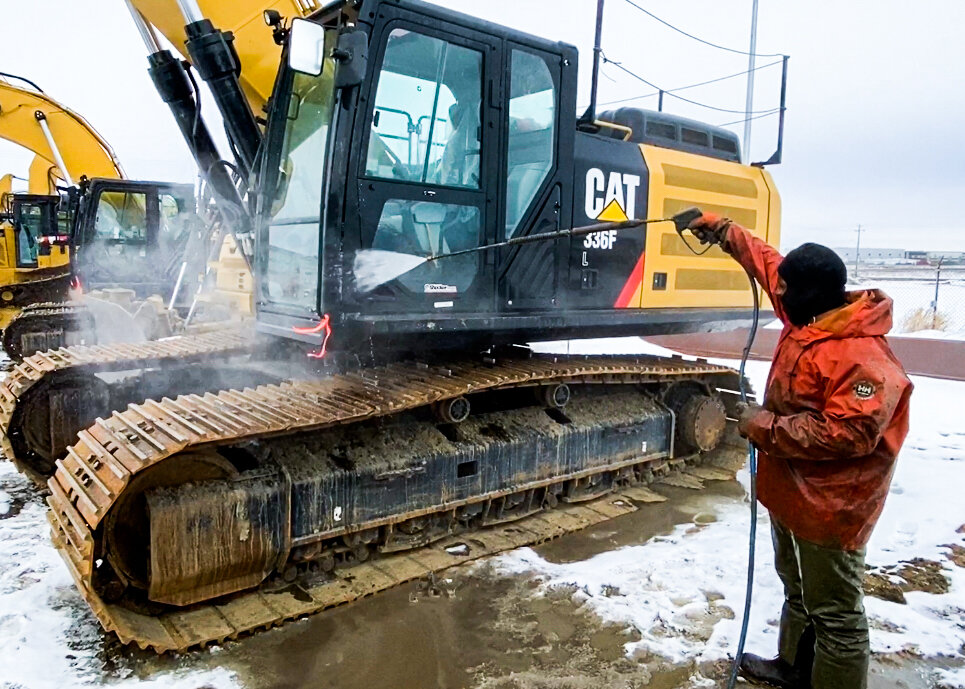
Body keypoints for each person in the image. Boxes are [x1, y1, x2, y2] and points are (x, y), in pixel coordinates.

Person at [685, 212, 913, 689]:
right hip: (790, 492)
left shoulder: (863, 358)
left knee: (836, 615)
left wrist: (761, 425)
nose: (777, 293)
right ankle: (793, 668)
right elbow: (770, 265)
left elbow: (847, 435)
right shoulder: (808, 309)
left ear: (810, 293)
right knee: (797, 590)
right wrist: (723, 230)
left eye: (785, 289)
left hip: (833, 507)